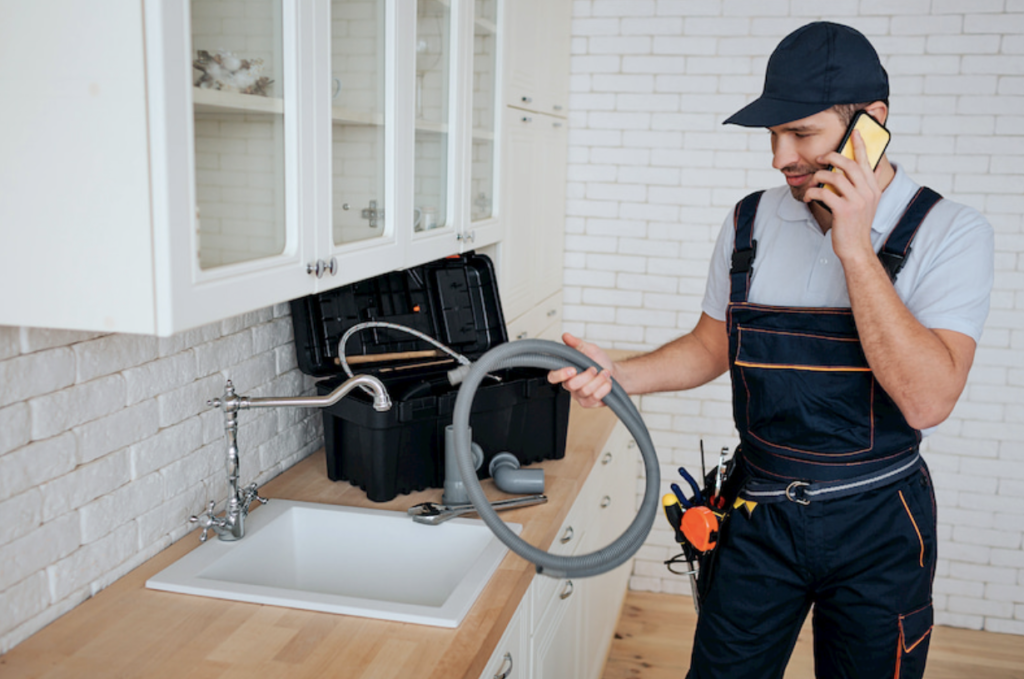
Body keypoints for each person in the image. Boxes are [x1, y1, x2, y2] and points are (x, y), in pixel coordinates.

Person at [548, 21, 993, 679]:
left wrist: (854, 245)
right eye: (772, 135)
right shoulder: (749, 220)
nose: (780, 157)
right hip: (759, 513)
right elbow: (712, 344)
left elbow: (928, 399)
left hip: (880, 522)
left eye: (802, 133)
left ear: (870, 122)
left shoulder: (949, 232)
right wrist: (624, 373)